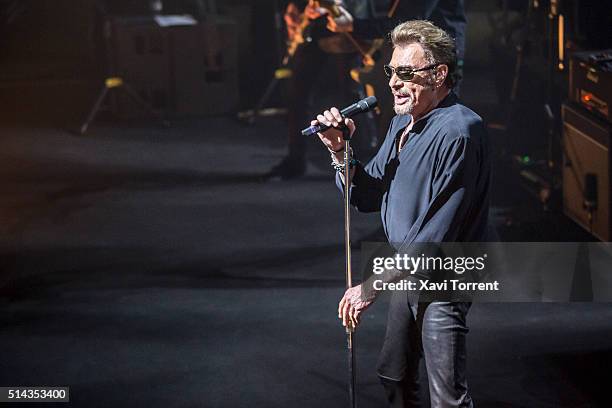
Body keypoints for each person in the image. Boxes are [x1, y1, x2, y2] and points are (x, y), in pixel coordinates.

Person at [312, 20, 490, 407]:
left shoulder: (460, 131)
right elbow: (366, 195)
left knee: (448, 397)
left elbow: (434, 238)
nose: (393, 81)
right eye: (391, 71)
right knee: (393, 375)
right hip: (407, 271)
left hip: (443, 278)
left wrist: (370, 287)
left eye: (405, 72)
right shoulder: (400, 125)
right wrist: (340, 152)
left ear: (439, 74)